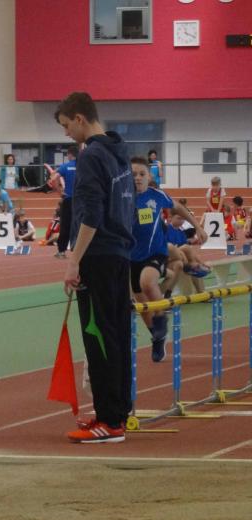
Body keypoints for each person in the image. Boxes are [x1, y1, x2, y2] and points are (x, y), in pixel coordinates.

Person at [56, 91, 136, 444]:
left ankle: (110, 421)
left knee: (99, 336)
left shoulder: (91, 155)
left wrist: (73, 261)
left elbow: (91, 214)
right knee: (117, 335)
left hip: (98, 256)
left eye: (66, 126)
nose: (66, 134)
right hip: (120, 254)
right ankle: (117, 411)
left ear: (80, 118)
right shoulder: (120, 151)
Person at [130, 156, 206, 363]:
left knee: (147, 282)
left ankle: (161, 319)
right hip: (132, 257)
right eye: (133, 174)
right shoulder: (122, 198)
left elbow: (179, 208)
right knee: (142, 305)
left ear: (149, 177)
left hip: (155, 252)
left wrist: (197, 226)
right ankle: (157, 337)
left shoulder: (157, 195)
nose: (137, 178)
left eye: (142, 174)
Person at [46, 145, 78, 259]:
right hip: (80, 200)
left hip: (68, 199)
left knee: (65, 225)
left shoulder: (65, 166)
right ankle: (80, 252)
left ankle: (61, 251)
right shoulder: (83, 166)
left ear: (69, 154)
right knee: (81, 225)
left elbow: (53, 179)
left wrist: (59, 192)